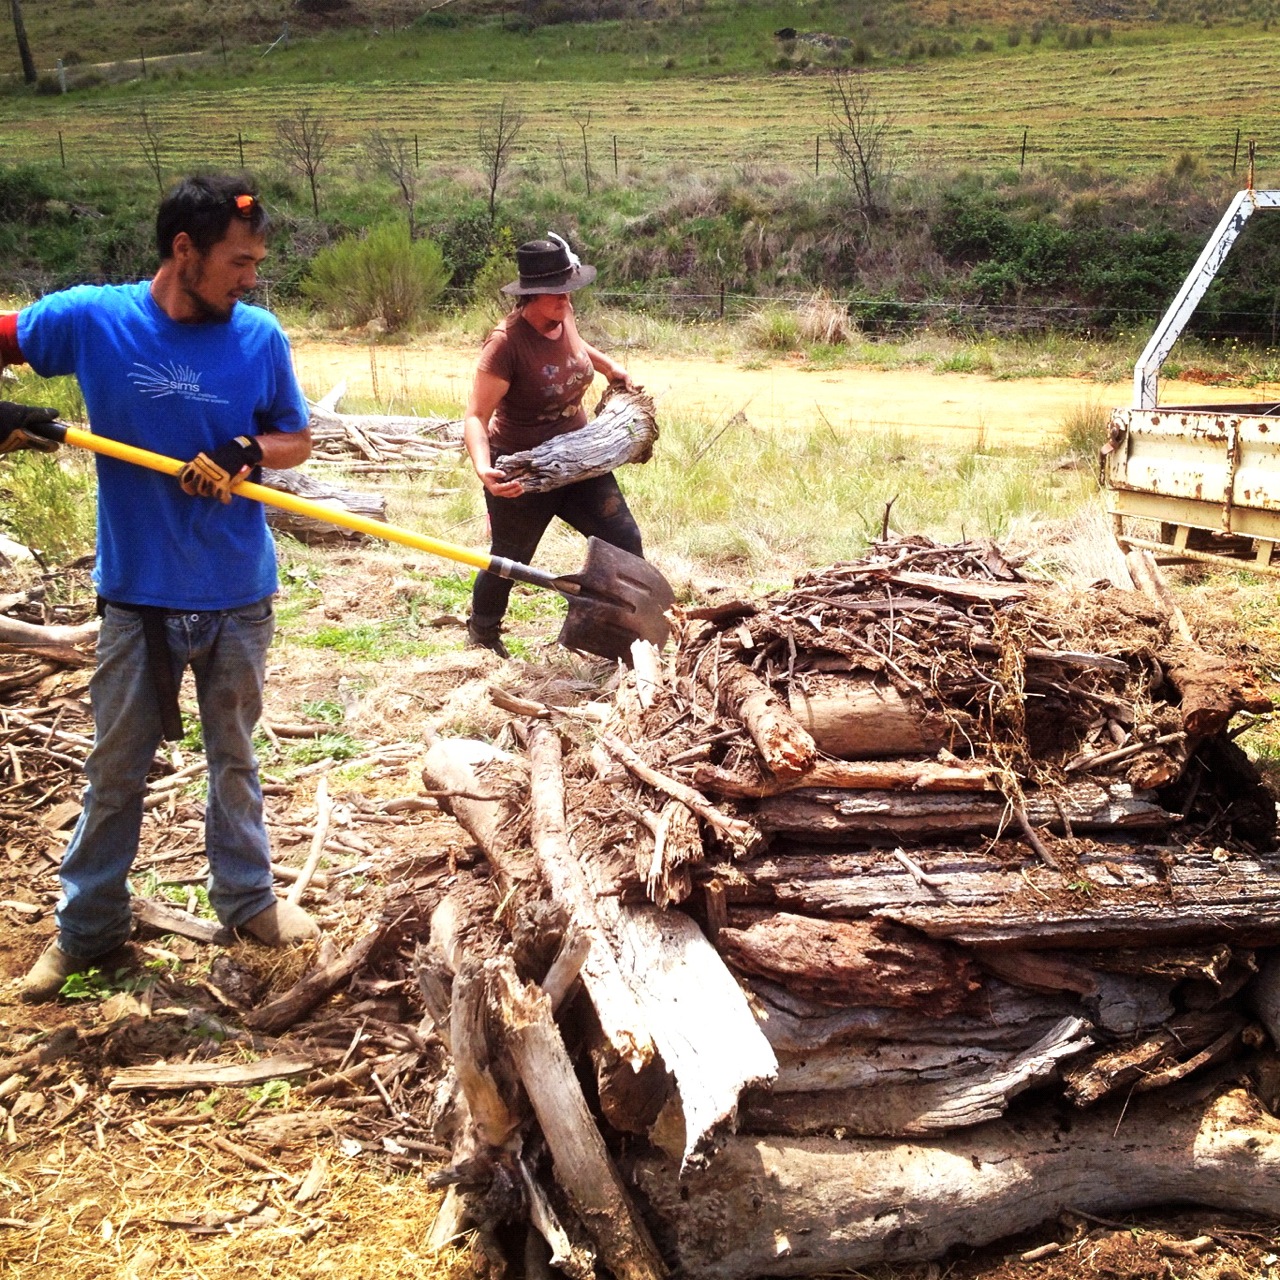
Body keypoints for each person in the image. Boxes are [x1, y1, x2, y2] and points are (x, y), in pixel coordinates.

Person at [0, 173, 320, 1003]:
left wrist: (249, 451)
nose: (251, 277)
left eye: (254, 263)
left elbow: (297, 439)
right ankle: (87, 930)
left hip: (236, 595)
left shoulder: (258, 336)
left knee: (235, 760)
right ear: (184, 251)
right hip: (137, 596)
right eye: (238, 262)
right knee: (114, 770)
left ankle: (248, 904)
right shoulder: (93, 320)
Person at [464, 234, 646, 658]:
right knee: (511, 558)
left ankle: (621, 634)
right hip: (524, 471)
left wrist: (610, 367)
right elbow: (475, 416)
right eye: (557, 293)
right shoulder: (505, 344)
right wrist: (484, 469)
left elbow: (576, 348)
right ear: (531, 296)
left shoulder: (563, 315)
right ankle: (483, 631)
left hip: (580, 459)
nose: (566, 300)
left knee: (624, 540)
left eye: (569, 290)